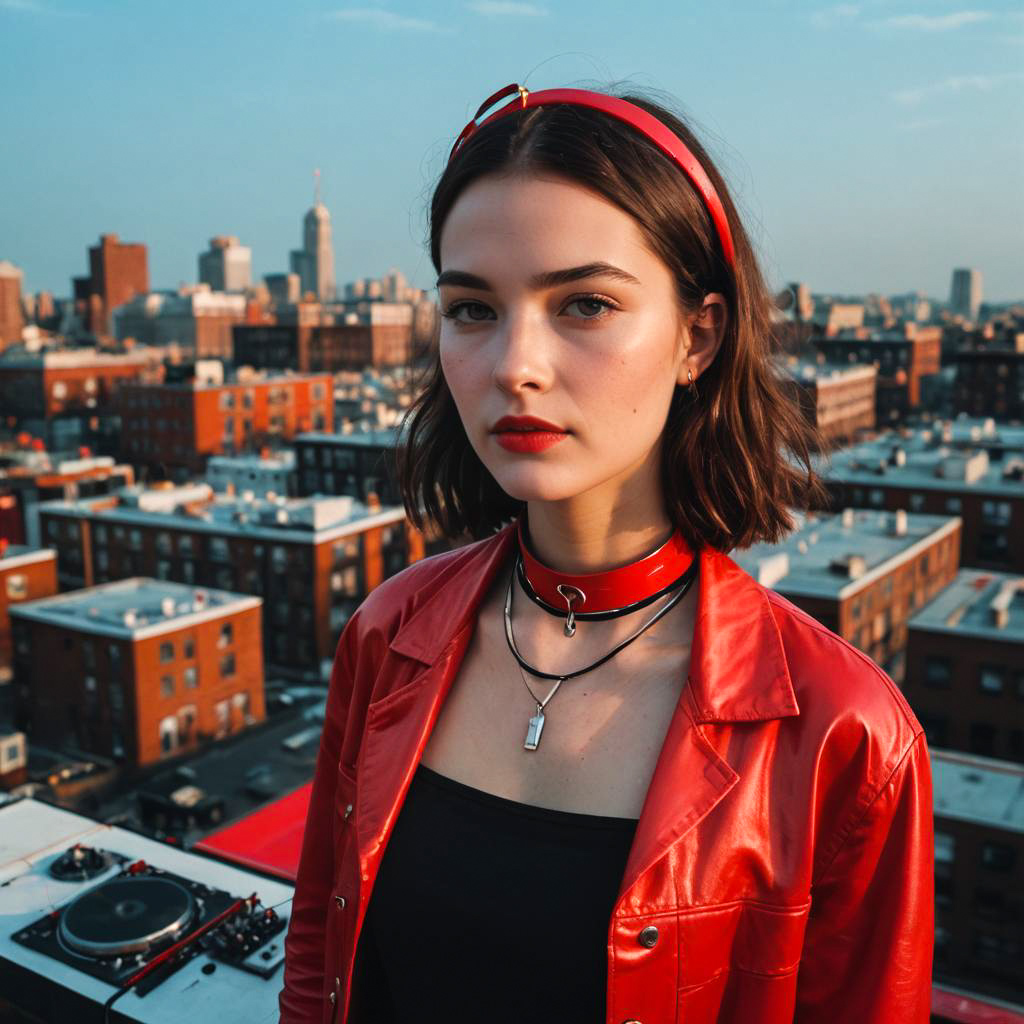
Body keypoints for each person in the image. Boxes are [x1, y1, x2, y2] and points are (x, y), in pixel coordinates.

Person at [279, 83, 934, 1024]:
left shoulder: (844, 732)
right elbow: (318, 953)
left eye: (583, 302)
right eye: (472, 309)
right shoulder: (390, 636)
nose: (515, 364)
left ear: (697, 335)